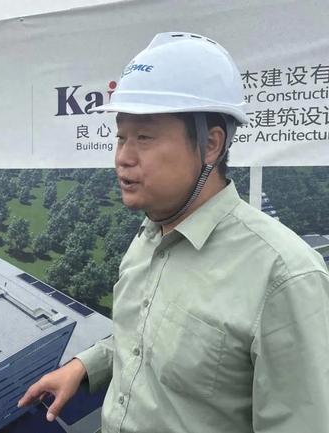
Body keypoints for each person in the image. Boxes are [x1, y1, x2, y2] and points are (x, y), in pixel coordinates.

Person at [17, 32, 329, 433]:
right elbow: (146, 337)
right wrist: (84, 366)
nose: (123, 157)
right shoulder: (150, 235)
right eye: (121, 137)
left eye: (144, 138)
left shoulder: (284, 276)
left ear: (211, 144)